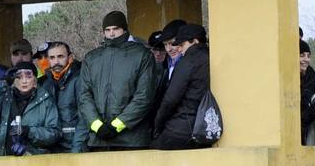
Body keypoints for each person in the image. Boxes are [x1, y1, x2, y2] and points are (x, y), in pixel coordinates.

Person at [78, 11, 160, 151]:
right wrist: (97, 126)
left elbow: (144, 97)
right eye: (107, 30)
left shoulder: (142, 55)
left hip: (132, 139)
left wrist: (117, 125)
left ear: (125, 29)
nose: (111, 34)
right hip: (99, 139)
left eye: (116, 29)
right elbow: (84, 96)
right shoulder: (91, 58)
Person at [0, 65, 61, 156]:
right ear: (13, 80)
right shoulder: (4, 95)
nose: (24, 81)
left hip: (32, 160)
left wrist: (28, 131)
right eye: (19, 77)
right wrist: (3, 82)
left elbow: (55, 133)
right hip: (1, 159)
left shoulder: (46, 100)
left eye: (28, 76)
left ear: (35, 81)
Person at [151, 24, 211, 149]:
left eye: (182, 45)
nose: (178, 49)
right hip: (206, 127)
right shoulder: (211, 57)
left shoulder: (188, 61)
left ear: (195, 41)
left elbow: (170, 99)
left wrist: (157, 126)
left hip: (182, 128)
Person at [38, 41, 86, 153]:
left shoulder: (80, 79)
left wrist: (77, 148)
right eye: (52, 58)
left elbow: (85, 118)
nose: (56, 62)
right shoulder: (45, 83)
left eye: (60, 56)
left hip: (75, 146)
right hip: (52, 147)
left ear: (70, 57)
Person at [301, 37, 315, 145]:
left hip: (308, 133)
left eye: (308, 56)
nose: (306, 59)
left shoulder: (313, 78)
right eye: (302, 55)